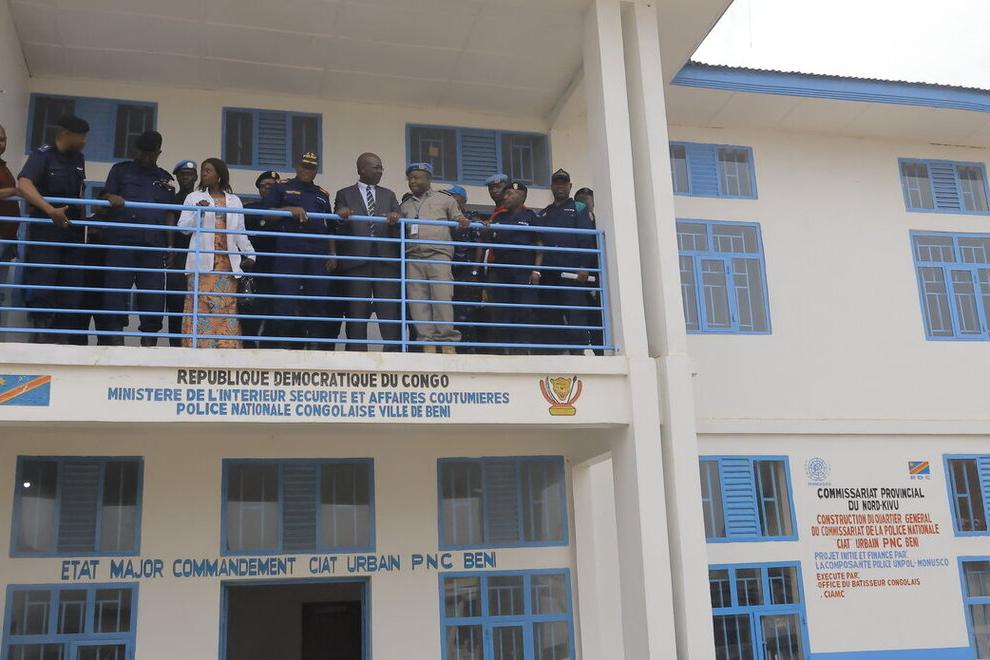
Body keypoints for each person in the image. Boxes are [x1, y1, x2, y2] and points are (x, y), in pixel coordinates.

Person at [16, 115, 90, 343]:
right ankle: (41, 334)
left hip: (71, 231)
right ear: (66, 134)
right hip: (46, 231)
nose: (84, 141)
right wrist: (50, 210)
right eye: (81, 136)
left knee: (71, 285)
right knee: (43, 281)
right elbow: (24, 184)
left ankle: (61, 336)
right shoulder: (43, 155)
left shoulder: (78, 158)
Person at [101, 131, 177, 347]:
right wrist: (110, 198)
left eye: (149, 153)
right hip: (121, 243)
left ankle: (149, 341)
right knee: (116, 292)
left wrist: (171, 245)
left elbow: (169, 213)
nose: (144, 156)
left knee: (153, 295)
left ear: (158, 153)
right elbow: (104, 197)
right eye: (141, 152)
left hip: (152, 245)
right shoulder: (120, 171)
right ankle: (115, 340)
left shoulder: (165, 179)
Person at [177, 158, 255, 348]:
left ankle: (226, 347)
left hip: (227, 265)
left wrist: (250, 254)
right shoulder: (194, 198)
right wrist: (199, 212)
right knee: (201, 306)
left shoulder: (234, 201)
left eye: (208, 170)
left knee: (226, 307)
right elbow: (183, 228)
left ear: (219, 175)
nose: (204, 174)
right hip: (202, 264)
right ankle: (198, 347)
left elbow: (240, 232)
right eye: (203, 170)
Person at [262, 151, 336, 349]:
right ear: (297, 166)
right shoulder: (281, 187)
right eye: (304, 166)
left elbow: (329, 227)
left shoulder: (322, 194)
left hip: (317, 251)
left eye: (311, 167)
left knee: (318, 296)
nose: (307, 170)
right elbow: (265, 214)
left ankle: (314, 343)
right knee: (286, 295)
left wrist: (332, 254)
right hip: (289, 248)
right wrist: (288, 210)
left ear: (316, 171)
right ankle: (283, 343)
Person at [399, 162, 469, 354]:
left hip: (439, 256)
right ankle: (427, 342)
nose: (412, 181)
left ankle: (447, 343)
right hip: (414, 258)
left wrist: (462, 221)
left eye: (417, 177)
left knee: (442, 299)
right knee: (418, 302)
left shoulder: (445, 199)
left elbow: (458, 218)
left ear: (428, 179)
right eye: (410, 178)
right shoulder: (405, 205)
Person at [334, 152, 402, 351]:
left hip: (386, 261)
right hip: (356, 261)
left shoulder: (389, 194)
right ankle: (357, 354)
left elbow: (399, 225)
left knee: (389, 311)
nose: (380, 171)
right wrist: (341, 217)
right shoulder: (344, 194)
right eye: (376, 167)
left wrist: (395, 219)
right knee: (357, 311)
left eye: (381, 167)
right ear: (362, 169)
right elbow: (337, 227)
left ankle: (393, 356)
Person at [535, 169, 596, 354]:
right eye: (557, 183)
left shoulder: (579, 208)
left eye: (564, 183)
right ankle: (555, 354)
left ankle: (578, 353)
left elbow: (586, 239)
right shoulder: (544, 213)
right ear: (551, 187)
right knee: (550, 315)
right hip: (549, 274)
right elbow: (539, 242)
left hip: (572, 273)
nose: (560, 187)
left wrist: (584, 266)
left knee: (575, 314)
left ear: (570, 186)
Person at [483, 181, 542, 354]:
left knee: (524, 309)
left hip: (523, 269)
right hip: (501, 269)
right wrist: (486, 230)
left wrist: (536, 270)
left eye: (509, 194)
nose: (505, 197)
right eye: (505, 193)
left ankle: (522, 349)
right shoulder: (499, 217)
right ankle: (504, 349)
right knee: (501, 310)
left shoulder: (531, 217)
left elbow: (539, 245)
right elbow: (488, 241)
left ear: (521, 196)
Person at [240, 170, 280, 348]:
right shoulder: (250, 208)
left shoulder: (287, 208)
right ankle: (249, 349)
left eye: (270, 186)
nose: (266, 189)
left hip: (278, 268)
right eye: (262, 186)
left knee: (275, 315)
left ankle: (267, 349)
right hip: (255, 269)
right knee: (251, 312)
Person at [445, 185, 485, 352]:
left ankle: (469, 349)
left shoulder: (472, 217)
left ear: (462, 200)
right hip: (449, 270)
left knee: (468, 311)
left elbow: (479, 245)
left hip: (467, 271)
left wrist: (475, 270)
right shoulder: (446, 217)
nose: (450, 200)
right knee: (451, 310)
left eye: (453, 196)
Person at [165, 160, 198, 346]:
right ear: (177, 177)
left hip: (198, 256)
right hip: (178, 255)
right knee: (176, 301)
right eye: (183, 174)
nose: (186, 177)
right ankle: (176, 346)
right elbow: (169, 223)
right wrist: (170, 248)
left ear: (196, 177)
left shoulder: (202, 198)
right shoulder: (173, 199)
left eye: (190, 174)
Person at [574, 186, 604, 354]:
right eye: (579, 200)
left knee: (597, 317)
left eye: (586, 199)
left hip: (597, 275)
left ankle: (599, 351)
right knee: (580, 314)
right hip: (578, 274)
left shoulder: (601, 221)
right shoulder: (573, 221)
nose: (583, 202)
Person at [0, 124, 20, 320]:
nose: (2, 144)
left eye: (4, 139)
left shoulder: (3, 166)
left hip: (7, 237)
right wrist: (16, 191)